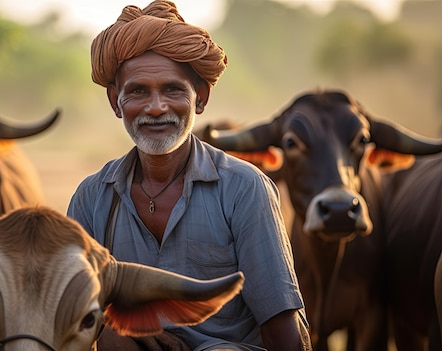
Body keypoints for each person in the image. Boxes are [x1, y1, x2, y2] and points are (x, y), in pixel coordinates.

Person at [67, 1, 311, 350]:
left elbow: (281, 323)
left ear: (201, 97)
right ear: (115, 102)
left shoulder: (244, 188)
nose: (155, 107)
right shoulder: (92, 197)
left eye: (172, 89)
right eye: (138, 91)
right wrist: (124, 328)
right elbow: (71, 310)